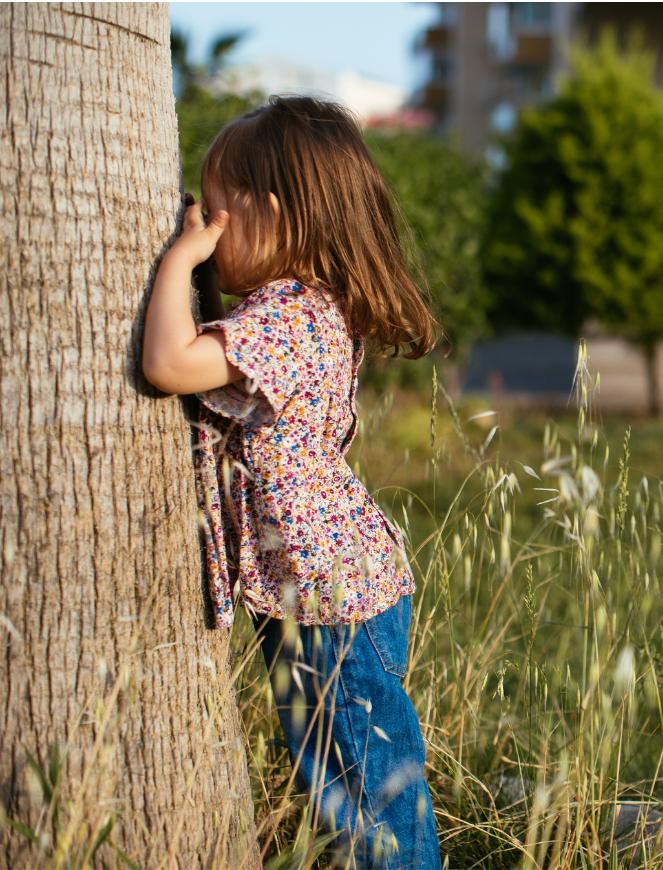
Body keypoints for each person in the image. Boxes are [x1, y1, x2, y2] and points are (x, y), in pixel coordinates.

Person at [142, 96, 442, 868]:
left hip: (329, 601)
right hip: (320, 594)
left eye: (216, 215)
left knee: (369, 794)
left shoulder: (292, 317)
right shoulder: (300, 310)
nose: (207, 233)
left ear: (272, 214)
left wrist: (177, 257)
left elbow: (169, 365)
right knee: (343, 788)